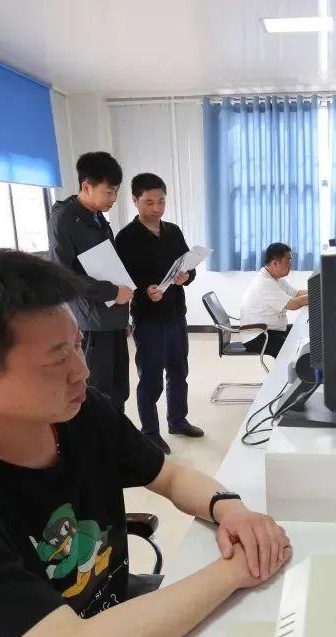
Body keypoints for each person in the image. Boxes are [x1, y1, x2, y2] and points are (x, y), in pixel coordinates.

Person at [0, 249, 291, 637]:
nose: (81, 371)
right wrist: (233, 571)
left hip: (116, 617)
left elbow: (168, 474)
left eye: (78, 345)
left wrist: (231, 510)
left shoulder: (81, 413)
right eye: (56, 359)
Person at [116, 173, 202, 455]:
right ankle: (150, 432)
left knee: (179, 371)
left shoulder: (173, 231)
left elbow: (189, 267)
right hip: (149, 318)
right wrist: (144, 292)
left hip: (176, 313)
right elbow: (122, 281)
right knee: (151, 377)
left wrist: (186, 277)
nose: (156, 208)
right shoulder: (126, 238)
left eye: (161, 201)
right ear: (135, 200)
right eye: (149, 202)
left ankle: (177, 420)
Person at [48, 152, 133, 413]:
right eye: (109, 191)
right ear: (87, 186)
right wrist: (112, 291)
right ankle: (101, 437)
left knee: (119, 388)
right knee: (98, 391)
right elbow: (63, 275)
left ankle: (117, 433)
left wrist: (122, 303)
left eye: (116, 191)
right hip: (92, 322)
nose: (114, 198)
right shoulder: (64, 219)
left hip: (114, 316)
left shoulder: (96, 217)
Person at [239, 242, 308, 357]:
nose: (290, 265)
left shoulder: (275, 278)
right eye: (287, 261)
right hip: (258, 336)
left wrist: (317, 290)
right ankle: (290, 369)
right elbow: (292, 304)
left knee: (302, 331)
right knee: (297, 350)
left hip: (272, 330)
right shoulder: (264, 282)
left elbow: (296, 294)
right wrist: (317, 294)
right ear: (275, 263)